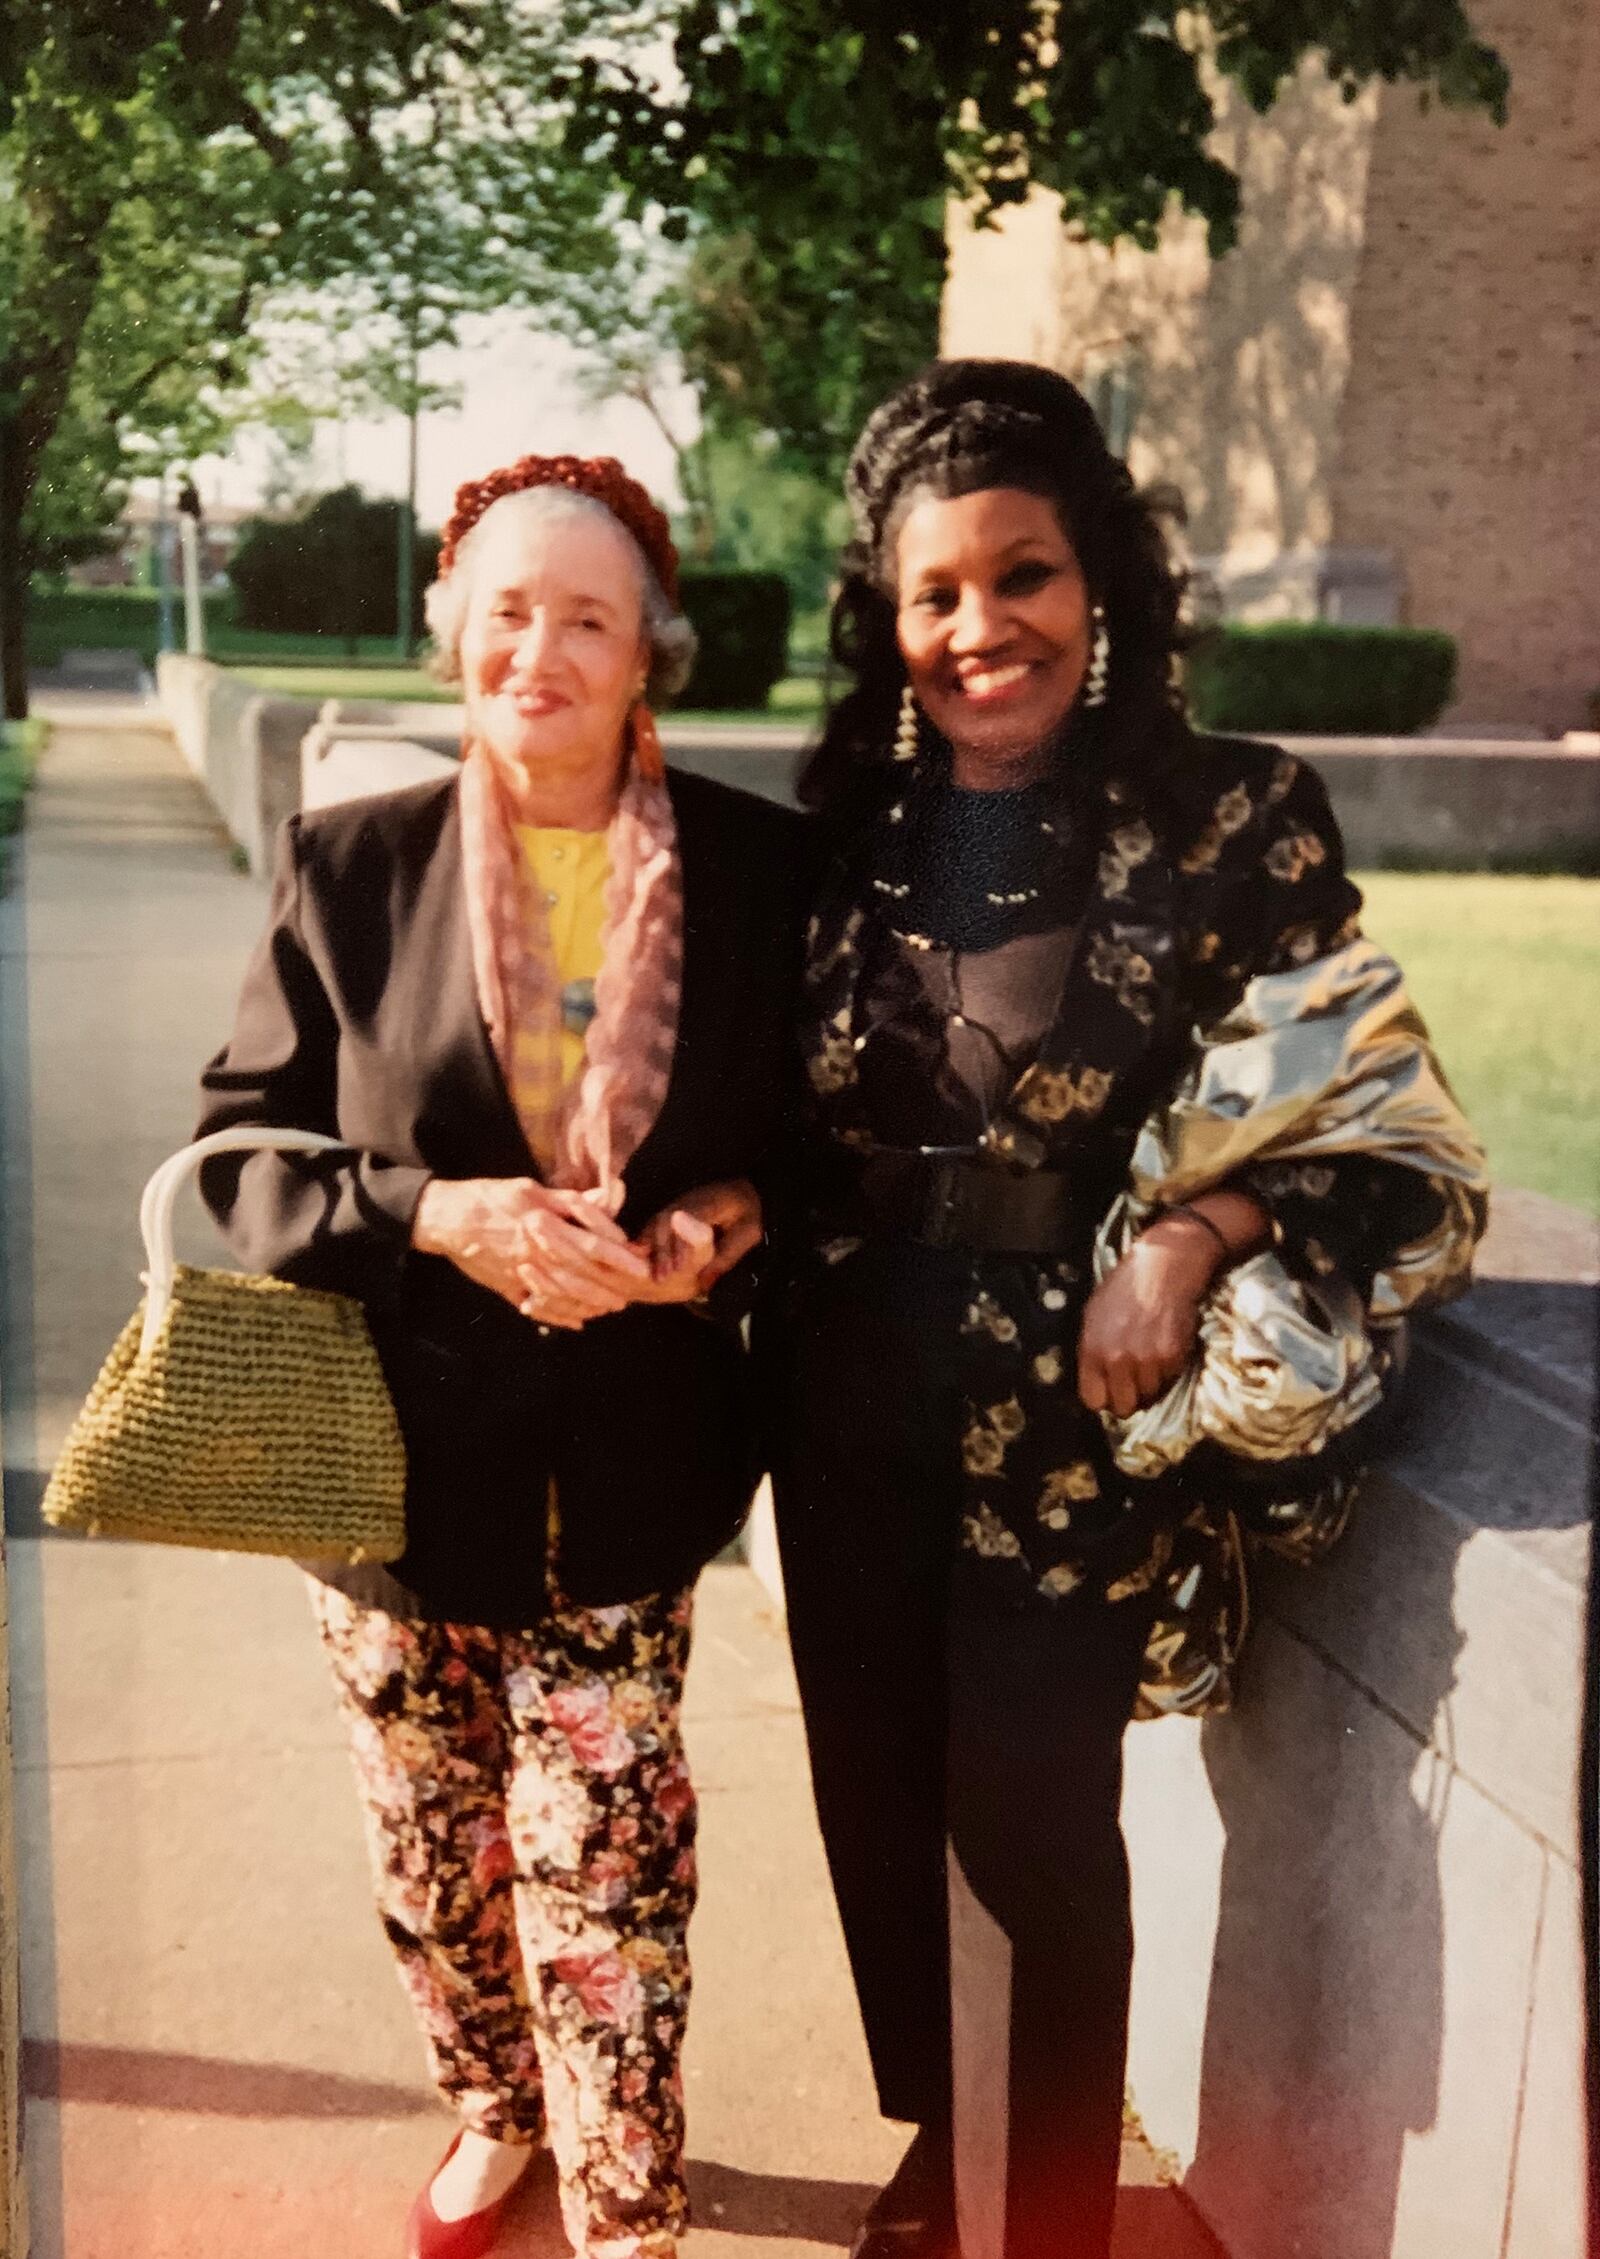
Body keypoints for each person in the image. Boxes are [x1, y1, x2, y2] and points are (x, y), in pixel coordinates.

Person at [761, 360, 1487, 2259]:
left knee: (1035, 1833)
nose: (981, 627)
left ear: (1104, 587)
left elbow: (1386, 1122)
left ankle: (1039, 2222)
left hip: (1071, 1419)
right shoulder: (841, 821)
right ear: (887, 614)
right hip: (838, 1393)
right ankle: (949, 2140)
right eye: (936, 592)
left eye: (1026, 575)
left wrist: (1197, 1233)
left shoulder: (1236, 815)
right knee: (877, 1788)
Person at [195, 453, 801, 2259]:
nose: (537, 647)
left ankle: (627, 2204)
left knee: (607, 1867)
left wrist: (729, 1220)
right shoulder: (350, 868)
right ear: (456, 628)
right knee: (437, 1858)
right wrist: (438, 1214)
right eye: (506, 610)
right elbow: (243, 1160)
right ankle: (494, 2107)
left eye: (587, 619)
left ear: (647, 658)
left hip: (629, 1468)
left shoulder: (761, 873)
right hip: (390, 1469)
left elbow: (834, 1135)